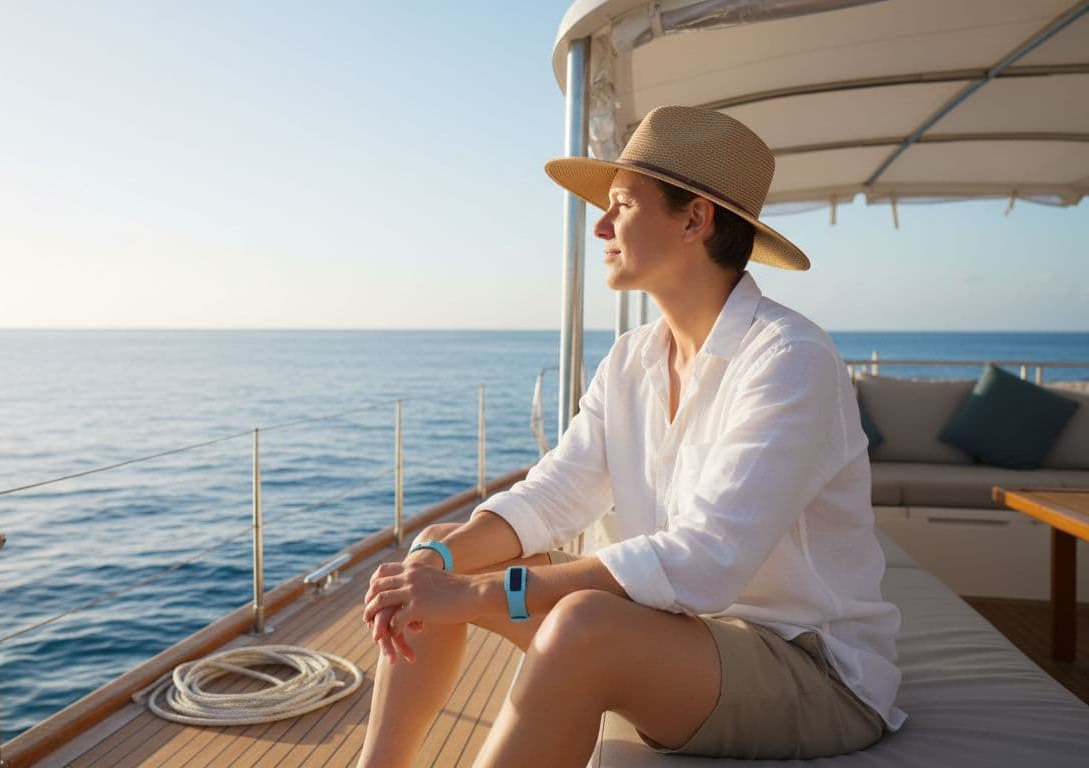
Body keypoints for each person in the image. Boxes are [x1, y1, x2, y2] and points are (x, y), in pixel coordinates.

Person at [356, 105, 904, 767]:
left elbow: (706, 560)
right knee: (443, 550)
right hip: (682, 638)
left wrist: (472, 595)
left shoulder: (789, 359)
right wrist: (439, 567)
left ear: (695, 219)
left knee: (583, 623)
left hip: (811, 672)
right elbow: (554, 496)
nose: (601, 225)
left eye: (621, 204)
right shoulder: (632, 359)